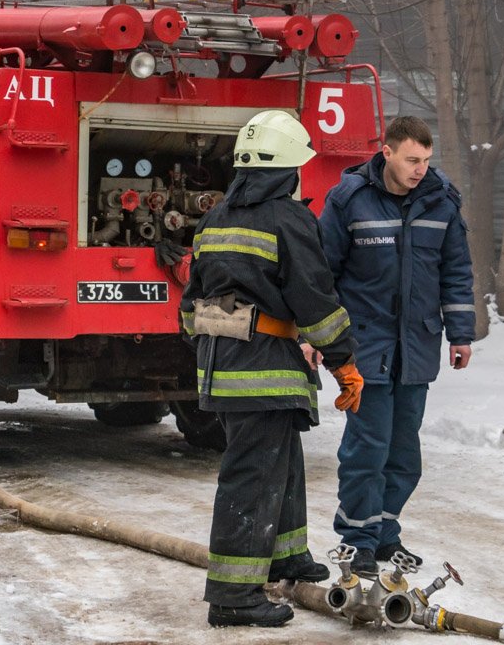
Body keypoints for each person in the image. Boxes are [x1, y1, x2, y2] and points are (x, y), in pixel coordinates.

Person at [178, 110, 364, 628]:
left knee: (281, 462)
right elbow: (315, 301)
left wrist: (218, 343)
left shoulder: (215, 217)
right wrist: (345, 362)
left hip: (225, 367)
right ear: (287, 170)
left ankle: (286, 557)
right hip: (262, 367)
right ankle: (233, 597)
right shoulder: (289, 218)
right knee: (253, 476)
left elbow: (190, 305)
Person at [317, 115, 475, 578]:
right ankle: (358, 538)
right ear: (386, 152)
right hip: (365, 346)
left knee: (404, 453)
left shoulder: (442, 203)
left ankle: (385, 530)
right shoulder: (349, 200)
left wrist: (460, 334)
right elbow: (323, 275)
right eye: (411, 160)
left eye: (426, 160)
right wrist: (318, 337)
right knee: (367, 447)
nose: (419, 169)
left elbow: (457, 272)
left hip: (418, 347)